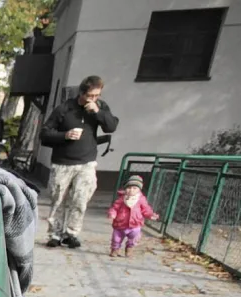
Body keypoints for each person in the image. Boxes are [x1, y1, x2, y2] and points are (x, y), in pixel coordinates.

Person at [39, 75, 118, 249]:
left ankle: (72, 234)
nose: (93, 99)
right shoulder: (64, 109)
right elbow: (44, 134)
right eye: (90, 96)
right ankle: (55, 234)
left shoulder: (100, 107)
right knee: (58, 200)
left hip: (86, 162)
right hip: (62, 163)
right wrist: (65, 135)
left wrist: (98, 112)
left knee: (80, 200)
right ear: (81, 93)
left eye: (96, 95)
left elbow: (111, 127)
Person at [107, 174, 158, 258]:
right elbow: (115, 208)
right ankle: (115, 249)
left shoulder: (141, 199)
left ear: (139, 189)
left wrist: (150, 215)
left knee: (134, 238)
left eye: (134, 188)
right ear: (125, 188)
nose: (131, 190)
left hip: (135, 224)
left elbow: (146, 209)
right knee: (116, 238)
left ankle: (129, 249)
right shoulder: (121, 199)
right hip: (120, 224)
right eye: (129, 188)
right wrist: (112, 213)